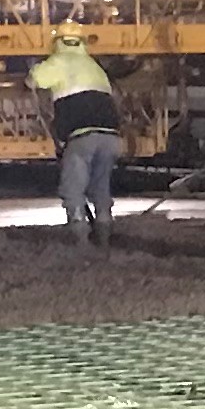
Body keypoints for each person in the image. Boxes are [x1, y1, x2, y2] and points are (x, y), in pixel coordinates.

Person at [30, 22, 124, 246]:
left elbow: (34, 80)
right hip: (111, 136)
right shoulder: (94, 66)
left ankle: (81, 238)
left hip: (82, 137)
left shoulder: (59, 61)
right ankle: (104, 234)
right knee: (101, 187)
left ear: (57, 42)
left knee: (73, 189)